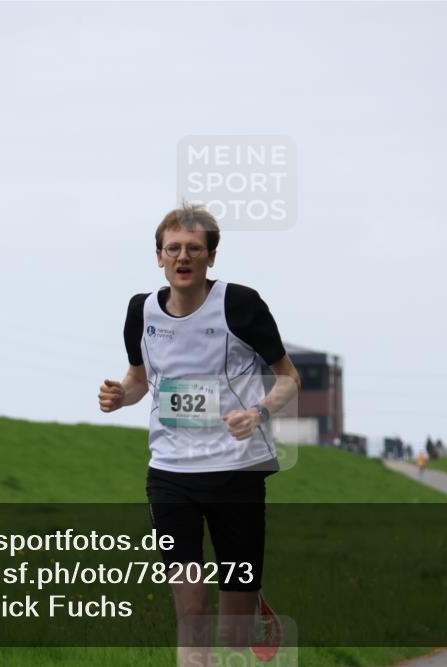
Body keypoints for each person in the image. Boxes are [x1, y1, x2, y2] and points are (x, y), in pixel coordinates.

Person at [98, 204, 301, 665]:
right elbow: (139, 379)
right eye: (173, 249)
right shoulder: (141, 310)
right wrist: (119, 396)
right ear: (158, 256)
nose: (182, 257)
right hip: (170, 475)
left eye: (194, 249)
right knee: (191, 608)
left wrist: (259, 411)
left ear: (211, 256)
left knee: (234, 627)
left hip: (237, 472)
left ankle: (251, 609)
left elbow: (288, 378)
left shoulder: (241, 304)